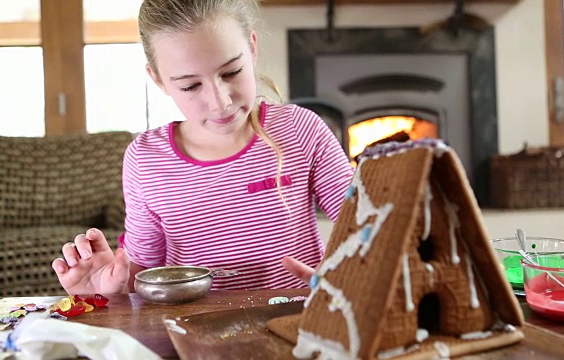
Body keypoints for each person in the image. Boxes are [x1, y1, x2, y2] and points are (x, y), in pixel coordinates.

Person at [51, 0, 353, 295]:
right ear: (158, 80)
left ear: (252, 47)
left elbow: (368, 225)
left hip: (296, 320)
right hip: (188, 329)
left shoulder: (300, 129)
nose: (220, 101)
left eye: (231, 72)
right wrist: (108, 286)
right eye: (190, 86)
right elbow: (142, 271)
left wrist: (354, 276)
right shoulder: (146, 160)